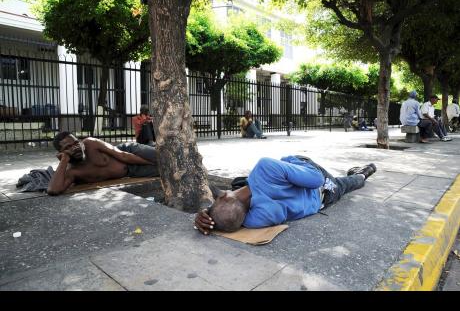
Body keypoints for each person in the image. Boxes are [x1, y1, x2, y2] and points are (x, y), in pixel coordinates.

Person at [194, 155, 376, 234]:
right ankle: (364, 172)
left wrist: (212, 218)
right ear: (224, 196)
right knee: (346, 183)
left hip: (320, 201)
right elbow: (316, 179)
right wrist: (288, 161)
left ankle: (358, 174)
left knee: (344, 184)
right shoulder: (265, 167)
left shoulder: (253, 219)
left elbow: (228, 216)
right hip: (322, 184)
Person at [47, 132, 160, 196]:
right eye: (68, 147)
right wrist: (64, 160)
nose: (75, 148)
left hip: (130, 152)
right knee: (164, 171)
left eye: (76, 143)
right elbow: (53, 190)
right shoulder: (72, 172)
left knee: (162, 157)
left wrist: (150, 162)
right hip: (131, 171)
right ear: (61, 153)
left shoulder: (90, 143)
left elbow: (123, 155)